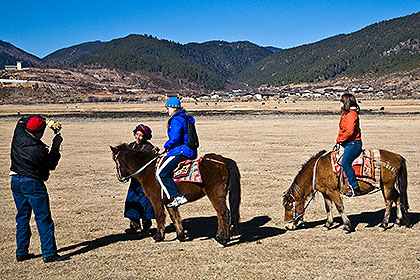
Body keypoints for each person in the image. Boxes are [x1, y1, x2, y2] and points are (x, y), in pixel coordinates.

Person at [10, 116, 67, 263]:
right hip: (33, 183)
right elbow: (51, 164)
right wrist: (55, 147)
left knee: (22, 217)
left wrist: (45, 120)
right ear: (40, 133)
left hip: (16, 181)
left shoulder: (19, 134)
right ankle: (49, 253)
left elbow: (23, 119)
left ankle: (21, 252)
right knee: (43, 218)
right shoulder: (39, 150)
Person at [156, 97, 198, 208]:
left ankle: (177, 196)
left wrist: (166, 146)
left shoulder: (176, 119)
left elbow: (175, 138)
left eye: (168, 108)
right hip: (190, 150)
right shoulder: (185, 117)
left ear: (174, 108)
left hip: (181, 151)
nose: (167, 111)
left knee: (161, 173)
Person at [124, 124, 158, 235]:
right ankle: (134, 226)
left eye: (141, 135)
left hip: (145, 182)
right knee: (132, 201)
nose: (138, 138)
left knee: (145, 203)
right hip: (134, 181)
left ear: (145, 137)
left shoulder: (149, 148)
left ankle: (146, 227)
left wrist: (155, 153)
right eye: (137, 135)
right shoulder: (131, 146)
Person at [336, 93, 362, 197]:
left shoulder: (351, 114)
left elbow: (350, 131)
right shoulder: (345, 113)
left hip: (353, 143)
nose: (340, 103)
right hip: (346, 142)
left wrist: (339, 140)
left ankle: (354, 187)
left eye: (342, 101)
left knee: (345, 162)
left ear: (346, 102)